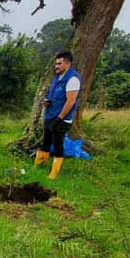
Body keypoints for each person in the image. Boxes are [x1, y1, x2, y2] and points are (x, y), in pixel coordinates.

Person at [35, 51, 81, 180]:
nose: (56, 66)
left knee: (58, 144)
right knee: (46, 141)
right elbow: (57, 97)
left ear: (67, 63)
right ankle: (39, 165)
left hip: (62, 119)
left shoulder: (73, 79)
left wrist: (59, 118)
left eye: (59, 64)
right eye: (56, 63)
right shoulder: (57, 77)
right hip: (50, 115)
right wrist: (49, 101)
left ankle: (54, 173)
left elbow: (70, 101)